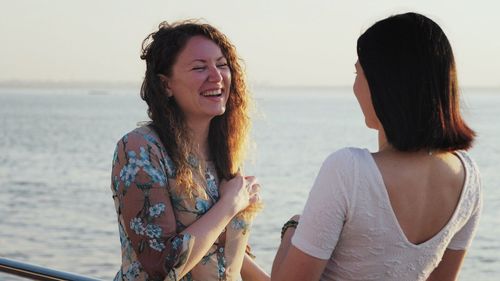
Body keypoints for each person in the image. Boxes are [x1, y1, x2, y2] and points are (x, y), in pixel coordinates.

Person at [271, 12, 482, 281]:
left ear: (385, 83)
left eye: (358, 72)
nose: (355, 85)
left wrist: (293, 228)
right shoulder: (469, 178)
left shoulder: (349, 170)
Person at [110, 20, 269, 281]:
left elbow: (225, 256)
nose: (216, 76)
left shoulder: (224, 155)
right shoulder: (140, 149)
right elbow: (163, 267)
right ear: (165, 85)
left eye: (221, 64)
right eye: (199, 67)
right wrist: (230, 204)